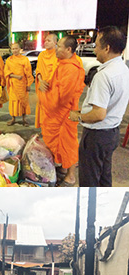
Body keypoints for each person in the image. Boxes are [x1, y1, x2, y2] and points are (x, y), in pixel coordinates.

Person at [70, 26, 129, 187]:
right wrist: (84, 110)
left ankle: (90, 211)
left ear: (107, 48)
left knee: (89, 180)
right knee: (104, 176)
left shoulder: (104, 75)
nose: (95, 50)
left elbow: (99, 114)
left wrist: (78, 116)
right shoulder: (123, 69)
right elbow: (108, 104)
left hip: (97, 136)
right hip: (112, 133)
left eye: (96, 46)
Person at [40, 36, 85, 186]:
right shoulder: (63, 63)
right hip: (55, 114)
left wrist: (45, 96)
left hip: (65, 114)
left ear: (68, 50)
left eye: (58, 46)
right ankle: (64, 171)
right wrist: (44, 86)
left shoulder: (71, 68)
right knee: (58, 144)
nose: (56, 49)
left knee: (68, 146)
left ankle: (71, 176)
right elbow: (55, 85)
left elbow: (63, 98)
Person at [4, 43, 34, 126]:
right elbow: (6, 72)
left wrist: (28, 85)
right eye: (13, 49)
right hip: (13, 83)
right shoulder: (9, 60)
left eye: (16, 48)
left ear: (20, 49)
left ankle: (24, 119)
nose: (15, 50)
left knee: (23, 102)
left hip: (22, 84)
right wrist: (15, 76)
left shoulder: (24, 59)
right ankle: (13, 118)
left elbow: (28, 73)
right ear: (11, 50)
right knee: (13, 102)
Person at [35, 34, 59, 128]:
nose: (46, 42)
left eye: (49, 41)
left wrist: (50, 83)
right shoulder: (42, 55)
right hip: (43, 87)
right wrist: (41, 81)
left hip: (53, 87)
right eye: (45, 40)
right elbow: (39, 70)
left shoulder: (58, 54)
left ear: (55, 42)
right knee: (43, 111)